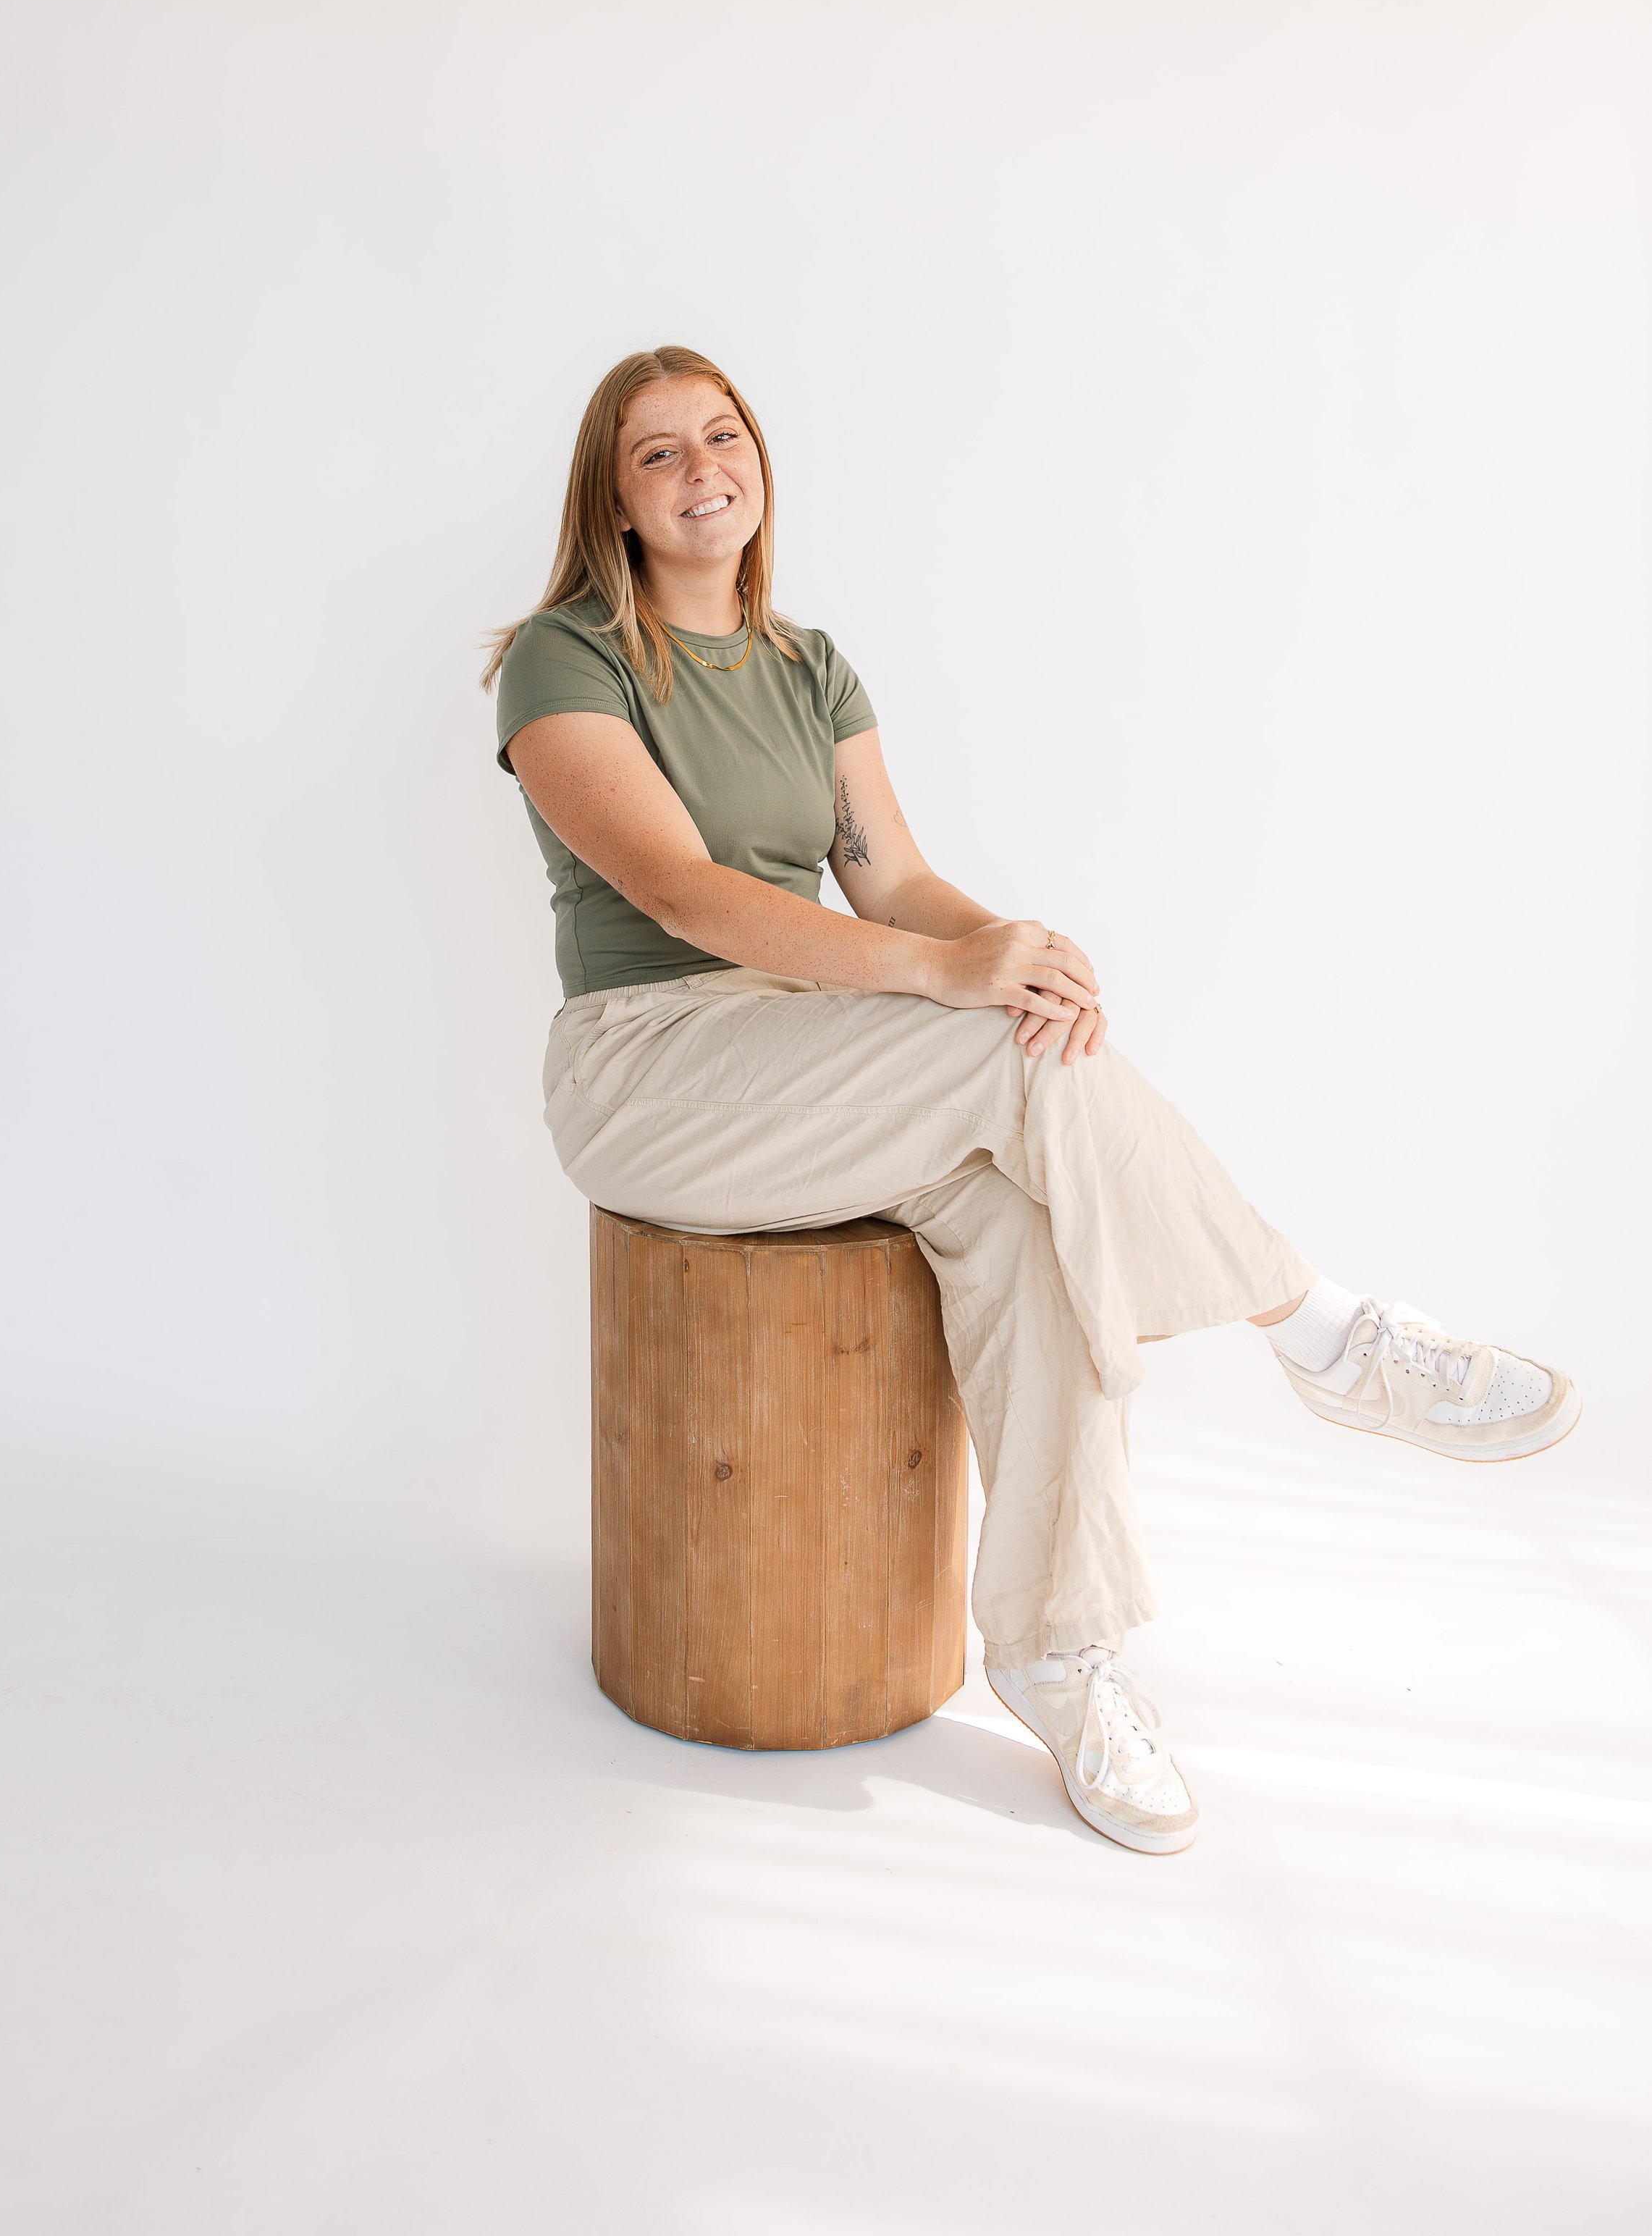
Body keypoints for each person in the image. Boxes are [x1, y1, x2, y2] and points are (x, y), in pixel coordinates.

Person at [483, 344, 1580, 1857]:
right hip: (657, 1065)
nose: (698, 472)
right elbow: (686, 894)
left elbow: (894, 880)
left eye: (719, 437)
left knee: (1030, 1207)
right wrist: (948, 986)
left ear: (759, 465)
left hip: (822, 1056)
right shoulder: (568, 656)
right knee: (993, 1048)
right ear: (610, 495)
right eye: (655, 453)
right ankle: (1322, 1333)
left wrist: (1014, 952)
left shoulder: (810, 670)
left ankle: (1059, 1653)